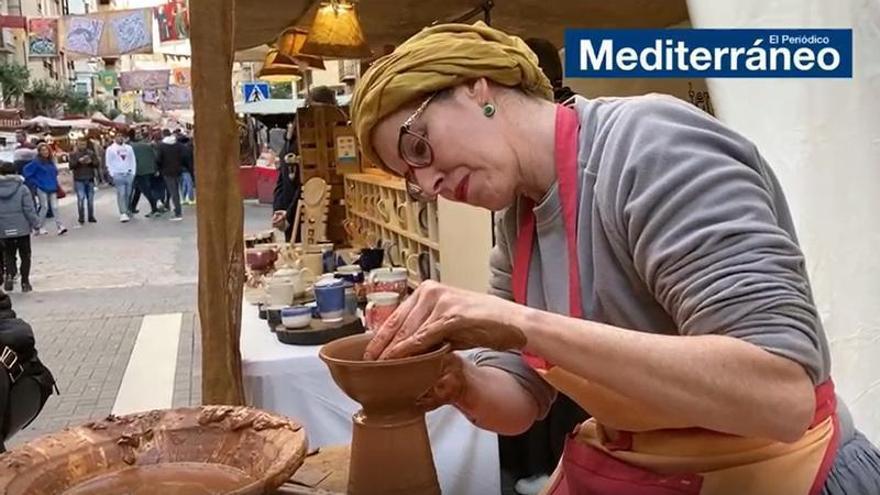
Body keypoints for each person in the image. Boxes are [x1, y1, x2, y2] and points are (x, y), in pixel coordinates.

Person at [350, 22, 880, 494]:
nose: (429, 182)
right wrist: (457, 381)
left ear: (476, 88)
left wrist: (518, 322)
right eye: (411, 178)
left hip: (780, 466)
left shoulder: (652, 147)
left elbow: (779, 397)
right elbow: (518, 400)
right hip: (653, 467)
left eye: (417, 147)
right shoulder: (521, 220)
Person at [0, 163, 39, 292]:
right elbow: (29, 209)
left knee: (9, 254)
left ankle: (10, 275)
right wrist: (36, 224)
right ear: (16, 173)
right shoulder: (23, 189)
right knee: (25, 255)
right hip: (22, 228)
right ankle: (25, 282)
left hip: (3, 228)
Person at [23, 144, 66, 236]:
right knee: (44, 207)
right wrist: (36, 182)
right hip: (42, 188)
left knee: (55, 207)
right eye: (42, 150)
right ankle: (39, 226)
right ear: (39, 152)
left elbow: (55, 174)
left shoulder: (51, 162)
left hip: (52, 187)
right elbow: (26, 172)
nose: (45, 152)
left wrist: (56, 184)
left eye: (46, 150)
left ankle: (60, 226)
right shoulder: (36, 162)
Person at [129, 130, 162, 217]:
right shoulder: (148, 146)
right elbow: (154, 157)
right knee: (138, 190)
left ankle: (154, 209)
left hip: (140, 171)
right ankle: (132, 207)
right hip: (150, 170)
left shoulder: (131, 148)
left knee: (146, 191)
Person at [105, 133, 136, 222]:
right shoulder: (110, 149)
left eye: (121, 136)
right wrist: (112, 173)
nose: (120, 138)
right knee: (121, 193)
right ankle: (123, 213)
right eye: (118, 136)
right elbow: (108, 162)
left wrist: (133, 172)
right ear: (115, 138)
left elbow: (132, 160)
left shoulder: (129, 148)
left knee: (128, 194)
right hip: (118, 174)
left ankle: (127, 209)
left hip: (128, 173)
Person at [67, 138, 99, 225]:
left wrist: (91, 162)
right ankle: (81, 217)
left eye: (84, 144)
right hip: (79, 179)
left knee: (90, 199)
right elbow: (71, 166)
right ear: (77, 144)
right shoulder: (73, 154)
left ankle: (91, 216)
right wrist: (78, 162)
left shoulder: (91, 153)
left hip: (90, 178)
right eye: (80, 144)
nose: (82, 146)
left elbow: (97, 164)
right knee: (81, 199)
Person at [156, 129, 184, 221]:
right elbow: (184, 156)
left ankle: (178, 213)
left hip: (167, 172)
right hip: (178, 170)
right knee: (177, 191)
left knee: (173, 192)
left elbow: (158, 159)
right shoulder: (178, 145)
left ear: (163, 135)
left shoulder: (161, 146)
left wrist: (159, 168)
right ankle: (176, 208)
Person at [178, 134, 195, 205]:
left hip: (180, 169)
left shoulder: (178, 149)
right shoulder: (187, 149)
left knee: (184, 184)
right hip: (186, 168)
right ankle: (191, 198)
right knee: (189, 183)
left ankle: (183, 198)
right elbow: (189, 160)